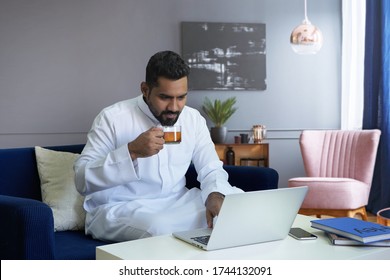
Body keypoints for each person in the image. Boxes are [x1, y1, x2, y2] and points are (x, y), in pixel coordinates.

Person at [74, 50, 243, 242]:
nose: (174, 107)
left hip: (178, 203)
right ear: (145, 89)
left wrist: (215, 193)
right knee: (159, 228)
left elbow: (210, 167)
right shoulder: (112, 118)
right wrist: (131, 152)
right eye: (165, 97)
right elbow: (81, 179)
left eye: (181, 97)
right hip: (119, 207)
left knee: (240, 206)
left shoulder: (192, 119)